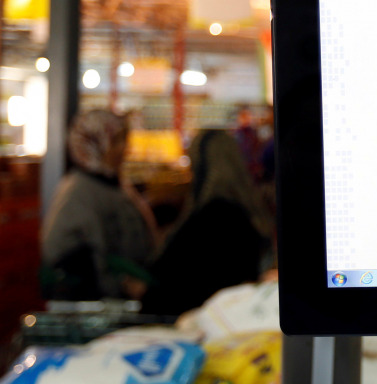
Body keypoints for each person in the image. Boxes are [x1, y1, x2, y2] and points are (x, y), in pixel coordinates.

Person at [140, 129, 272, 316]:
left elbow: (185, 282)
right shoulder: (245, 213)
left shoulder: (213, 216)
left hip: (194, 319)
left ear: (202, 164)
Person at [41, 110, 156, 300]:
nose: (125, 148)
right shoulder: (78, 193)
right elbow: (73, 261)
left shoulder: (113, 185)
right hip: (97, 305)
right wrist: (122, 284)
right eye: (115, 141)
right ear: (93, 145)